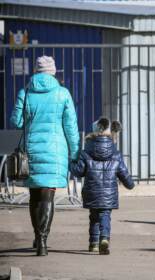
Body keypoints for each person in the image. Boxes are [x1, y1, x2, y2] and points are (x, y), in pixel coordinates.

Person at [10, 56, 80, 256]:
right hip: (56, 151)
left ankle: (38, 236)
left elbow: (16, 121)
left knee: (34, 196)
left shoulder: (26, 92)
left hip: (31, 150)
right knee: (47, 195)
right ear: (53, 72)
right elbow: (71, 128)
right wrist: (74, 153)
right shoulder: (63, 94)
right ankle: (43, 240)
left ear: (35, 71)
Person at [70, 117, 134, 255]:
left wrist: (71, 163)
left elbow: (79, 171)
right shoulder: (116, 154)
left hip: (91, 192)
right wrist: (130, 184)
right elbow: (123, 172)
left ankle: (93, 243)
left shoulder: (86, 152)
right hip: (108, 194)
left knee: (93, 217)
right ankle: (104, 238)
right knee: (105, 215)